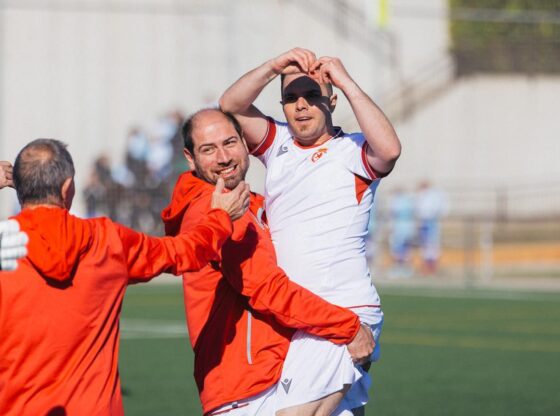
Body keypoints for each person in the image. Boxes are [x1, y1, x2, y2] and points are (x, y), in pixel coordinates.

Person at [0, 138, 251, 415]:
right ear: (67, 188)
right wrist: (219, 216)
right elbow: (185, 252)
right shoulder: (107, 240)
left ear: (19, 189)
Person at [219, 47, 401, 414]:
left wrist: (346, 81)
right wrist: (273, 66)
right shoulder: (279, 143)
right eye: (290, 98)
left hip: (343, 312)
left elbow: (390, 150)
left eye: (312, 95)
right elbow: (231, 106)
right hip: (300, 316)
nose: (300, 105)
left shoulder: (353, 150)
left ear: (331, 99)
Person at [161, 109, 375, 416]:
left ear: (246, 144)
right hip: (247, 390)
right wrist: (348, 327)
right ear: (190, 158)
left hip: (268, 378)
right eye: (208, 149)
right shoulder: (214, 211)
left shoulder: (251, 205)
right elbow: (266, 289)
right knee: (348, 356)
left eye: (230, 142)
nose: (223, 157)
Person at [415, 180, 449, 274]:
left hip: (431, 223)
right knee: (425, 247)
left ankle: (432, 268)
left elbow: (437, 209)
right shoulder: (422, 195)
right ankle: (426, 268)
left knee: (432, 246)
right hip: (424, 223)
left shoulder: (433, 195)